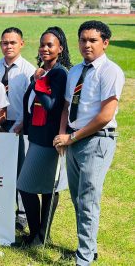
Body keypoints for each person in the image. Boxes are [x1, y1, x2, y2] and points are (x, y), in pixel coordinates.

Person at [54, 21, 125, 265]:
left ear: (105, 43)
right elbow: (66, 106)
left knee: (87, 200)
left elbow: (106, 115)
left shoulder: (110, 71)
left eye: (93, 40)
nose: (87, 45)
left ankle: (84, 258)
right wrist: (63, 135)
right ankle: (89, 248)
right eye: (83, 40)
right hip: (73, 140)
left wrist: (72, 137)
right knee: (78, 199)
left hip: (96, 141)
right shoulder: (75, 71)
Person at [17, 26, 72, 246]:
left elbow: (51, 105)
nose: (44, 49)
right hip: (37, 136)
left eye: (50, 45)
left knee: (33, 187)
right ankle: (38, 235)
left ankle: (40, 235)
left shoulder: (59, 73)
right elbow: (30, 103)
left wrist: (38, 81)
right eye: (42, 44)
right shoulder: (45, 72)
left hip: (49, 139)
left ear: (60, 48)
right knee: (46, 186)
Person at [0, 27, 35, 231]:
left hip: (19, 125)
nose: (8, 46)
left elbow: (32, 104)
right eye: (5, 42)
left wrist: (21, 124)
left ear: (21, 44)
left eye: (13, 42)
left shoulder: (29, 71)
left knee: (19, 170)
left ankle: (22, 214)